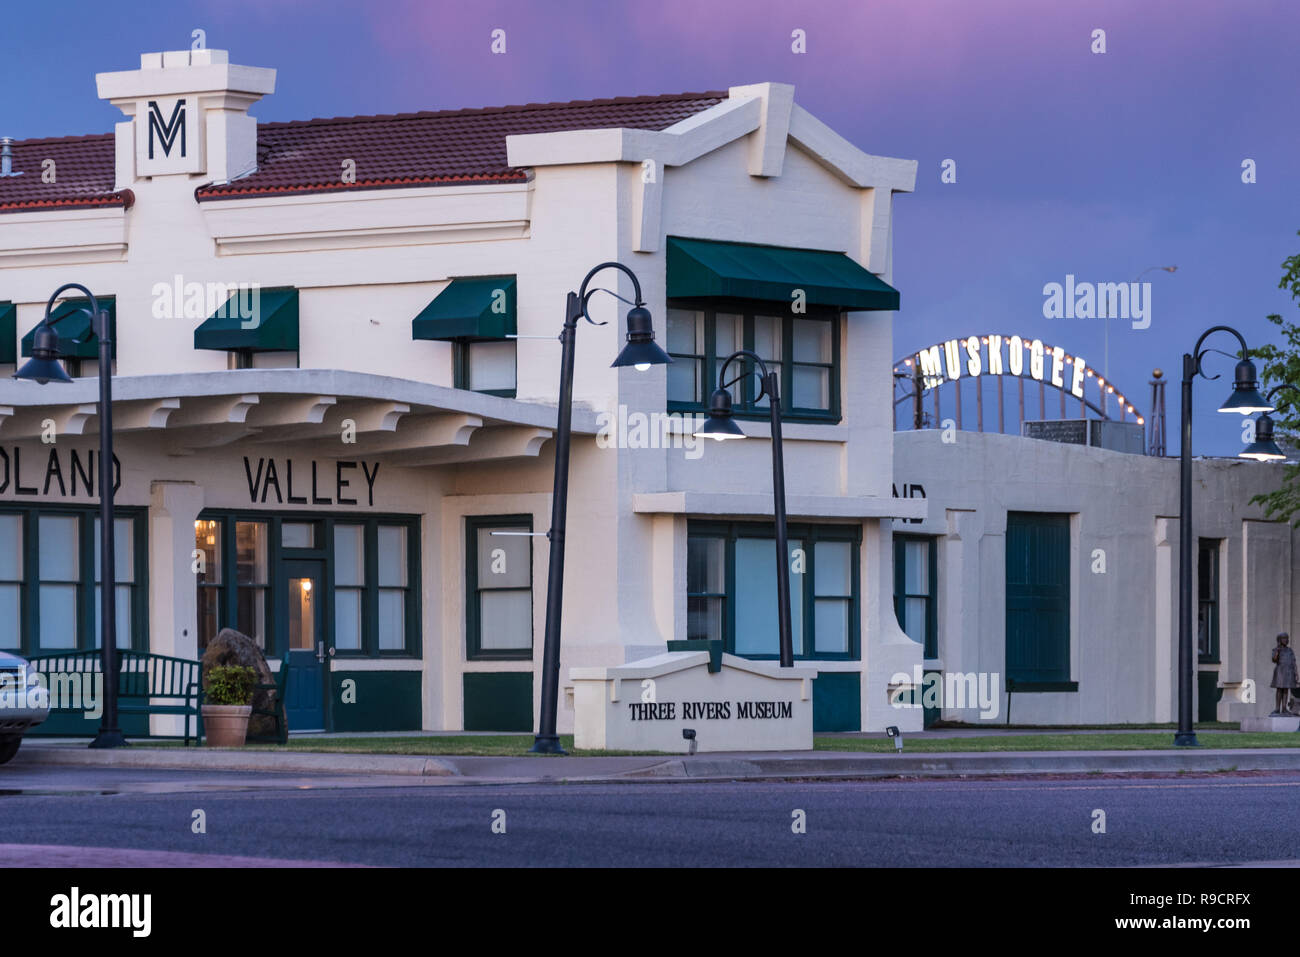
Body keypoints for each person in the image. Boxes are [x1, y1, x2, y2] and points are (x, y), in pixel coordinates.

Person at [1270, 632, 1299, 715]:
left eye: (1287, 638)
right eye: (1284, 638)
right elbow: (1274, 659)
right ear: (1279, 640)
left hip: (1289, 672)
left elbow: (1293, 662)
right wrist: (1277, 651)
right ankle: (1277, 708)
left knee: (1286, 689)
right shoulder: (1276, 649)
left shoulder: (1290, 650)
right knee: (1279, 689)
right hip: (1280, 671)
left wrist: (1296, 673)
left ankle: (1284, 708)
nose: (1286, 640)